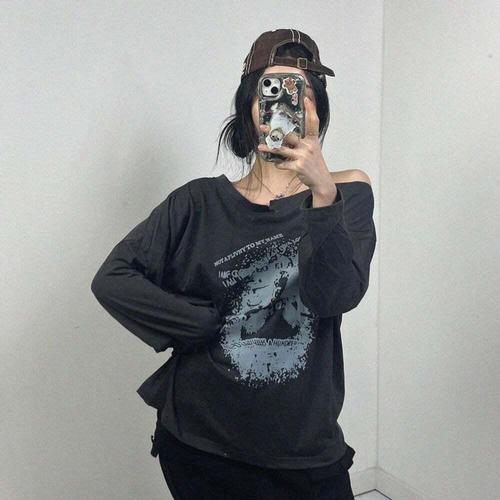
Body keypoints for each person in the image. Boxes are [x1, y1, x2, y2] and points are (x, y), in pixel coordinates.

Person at [91, 28, 377, 500]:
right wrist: (199, 324)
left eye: (302, 92)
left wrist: (323, 194)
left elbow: (335, 296)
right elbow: (113, 279)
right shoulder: (197, 202)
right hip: (199, 443)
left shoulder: (345, 192)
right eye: (271, 91)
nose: (287, 104)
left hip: (302, 450)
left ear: (318, 110)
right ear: (249, 109)